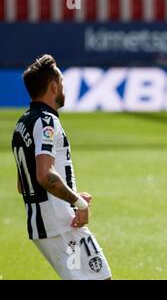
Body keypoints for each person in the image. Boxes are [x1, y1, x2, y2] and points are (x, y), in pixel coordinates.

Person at [11, 54, 112, 280]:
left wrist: (72, 195)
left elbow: (22, 184)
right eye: (62, 83)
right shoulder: (47, 122)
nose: (64, 88)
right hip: (59, 222)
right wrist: (79, 203)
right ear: (53, 86)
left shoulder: (22, 124)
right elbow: (44, 176)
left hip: (44, 221)